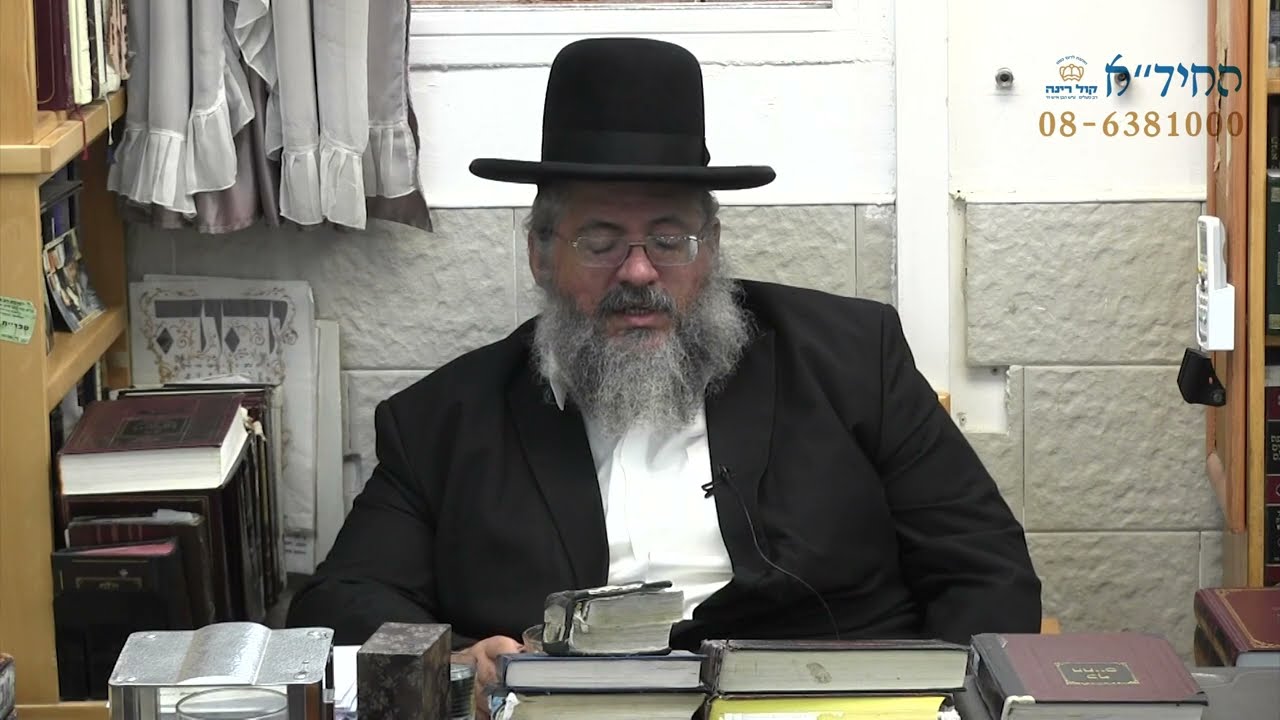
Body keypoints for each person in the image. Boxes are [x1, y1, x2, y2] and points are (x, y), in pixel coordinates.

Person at [286, 36, 1041, 713]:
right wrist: (455, 665)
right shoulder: (442, 421)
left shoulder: (849, 356)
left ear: (710, 247)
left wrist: (945, 704)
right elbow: (340, 606)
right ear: (541, 254)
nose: (640, 272)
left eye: (669, 240)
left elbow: (985, 569)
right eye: (601, 242)